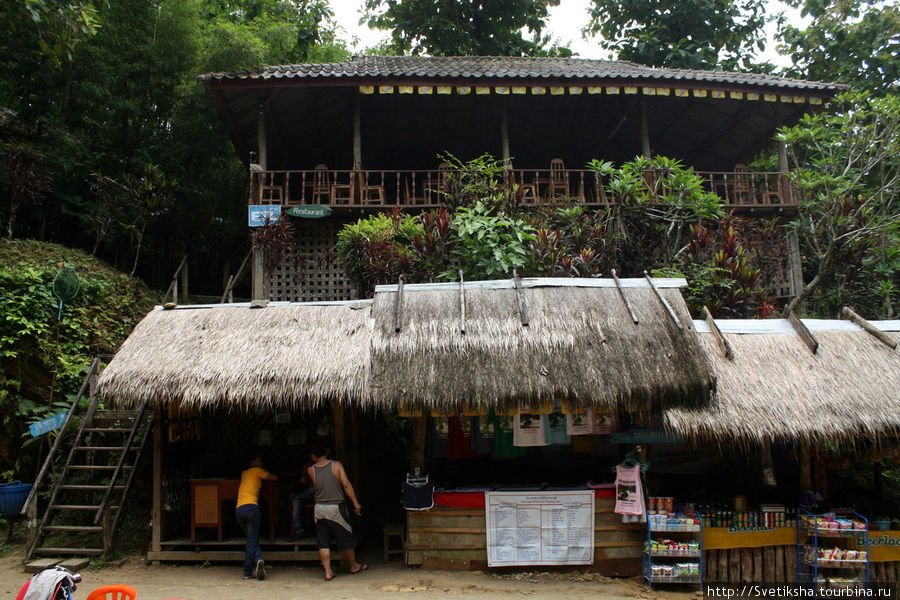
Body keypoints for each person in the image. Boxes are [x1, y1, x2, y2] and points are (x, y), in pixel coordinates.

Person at [307, 440, 368, 580]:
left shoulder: (311, 470)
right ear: (326, 452)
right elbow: (346, 485)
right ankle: (353, 565)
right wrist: (355, 503)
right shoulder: (336, 465)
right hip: (336, 507)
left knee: (323, 541)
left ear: (313, 456)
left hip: (319, 509)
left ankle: (328, 571)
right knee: (345, 536)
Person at [236, 452, 278, 580]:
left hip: (239, 510)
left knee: (251, 539)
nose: (261, 463)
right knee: (251, 540)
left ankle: (259, 560)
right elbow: (273, 478)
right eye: (259, 460)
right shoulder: (257, 470)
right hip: (252, 508)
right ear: (253, 462)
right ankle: (247, 571)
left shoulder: (244, 473)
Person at [288, 459, 314, 541]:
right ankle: (299, 531)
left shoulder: (324, 465)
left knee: (313, 489)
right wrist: (306, 474)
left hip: (319, 495)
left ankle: (294, 497)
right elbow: (303, 482)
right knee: (296, 502)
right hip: (306, 495)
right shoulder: (308, 466)